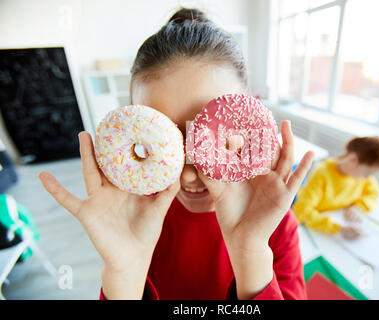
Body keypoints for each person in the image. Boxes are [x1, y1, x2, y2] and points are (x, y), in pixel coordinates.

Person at [37, 8, 314, 300]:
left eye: (208, 136)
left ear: (247, 116)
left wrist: (251, 253)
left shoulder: (273, 222)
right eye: (163, 140)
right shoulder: (135, 217)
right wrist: (124, 275)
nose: (188, 172)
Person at [293, 136, 379, 240]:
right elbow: (302, 211)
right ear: (353, 159)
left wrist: (359, 207)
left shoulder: (361, 175)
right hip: (318, 229)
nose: (368, 177)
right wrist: (338, 228)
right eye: (368, 173)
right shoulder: (322, 173)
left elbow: (374, 192)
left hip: (340, 217)